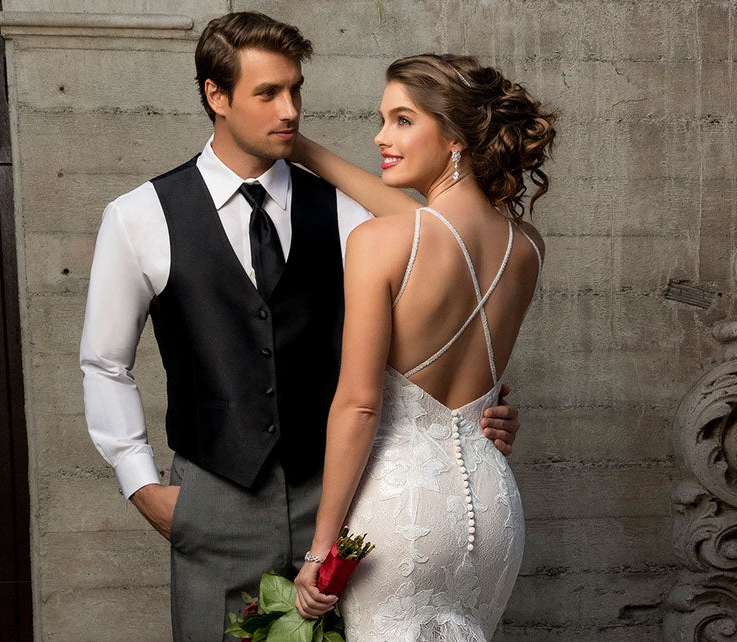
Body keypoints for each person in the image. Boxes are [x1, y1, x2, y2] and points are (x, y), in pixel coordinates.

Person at [78, 13, 523, 641]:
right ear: (216, 95)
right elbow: (105, 363)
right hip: (218, 498)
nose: (290, 110)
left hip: (346, 504)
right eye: (267, 94)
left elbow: (449, 251)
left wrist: (476, 411)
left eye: (296, 90)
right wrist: (142, 485)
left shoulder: (350, 214)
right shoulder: (139, 216)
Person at [287, 53, 554, 640]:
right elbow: (434, 223)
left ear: (456, 135)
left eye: (402, 120)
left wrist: (321, 551)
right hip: (492, 510)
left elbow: (359, 405)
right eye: (383, 119)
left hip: (402, 513)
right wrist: (305, 150)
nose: (381, 137)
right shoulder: (526, 246)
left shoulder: (378, 242)